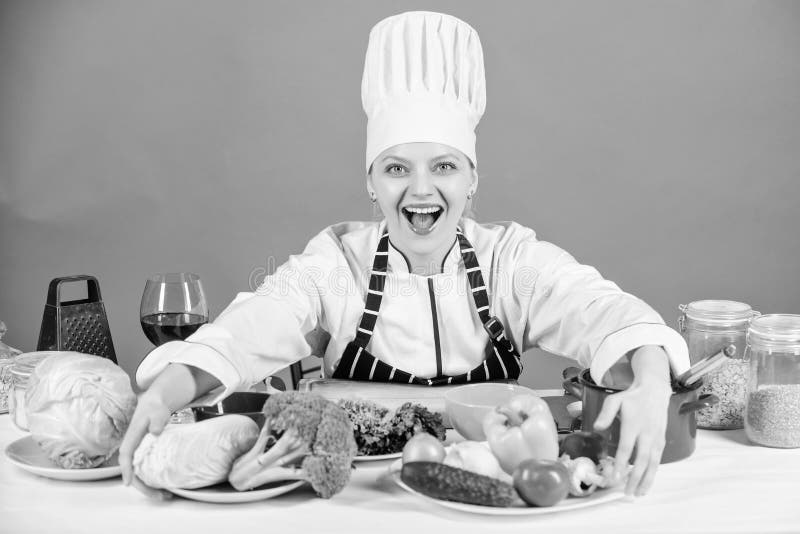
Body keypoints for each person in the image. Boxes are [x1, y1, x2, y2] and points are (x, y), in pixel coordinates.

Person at [119, 11, 689, 499]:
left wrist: (651, 381)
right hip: (352, 502)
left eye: (444, 167)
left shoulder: (512, 261)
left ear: (472, 181)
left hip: (486, 489)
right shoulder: (337, 264)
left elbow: (602, 308)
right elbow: (251, 328)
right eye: (397, 169)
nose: (420, 190)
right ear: (371, 183)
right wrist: (166, 392)